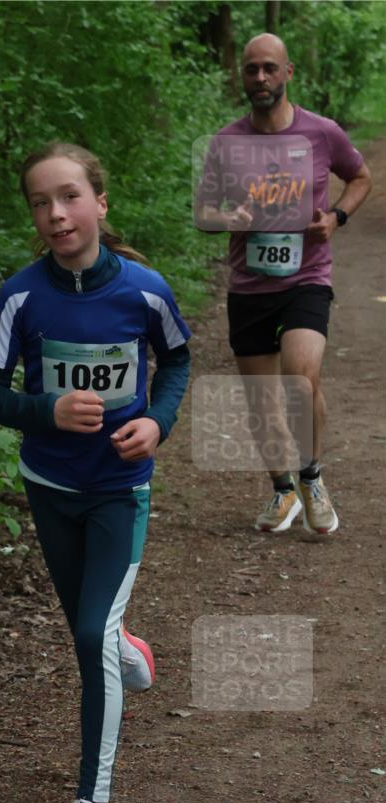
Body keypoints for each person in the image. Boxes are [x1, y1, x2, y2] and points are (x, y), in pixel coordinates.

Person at [0, 142, 191, 803]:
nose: (55, 213)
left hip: (118, 493)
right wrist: (45, 410)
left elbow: (177, 359)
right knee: (89, 633)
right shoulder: (21, 295)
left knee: (90, 634)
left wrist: (156, 421)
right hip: (50, 488)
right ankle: (125, 646)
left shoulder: (143, 289)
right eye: (40, 201)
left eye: (68, 196)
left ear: (99, 202)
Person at [196, 33, 371, 534]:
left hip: (306, 277)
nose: (260, 78)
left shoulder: (321, 133)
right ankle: (282, 489)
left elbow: (360, 178)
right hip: (250, 285)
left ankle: (311, 476)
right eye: (251, 70)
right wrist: (231, 218)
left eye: (270, 68)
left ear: (288, 72)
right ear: (242, 76)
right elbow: (205, 213)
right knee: (260, 400)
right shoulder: (225, 143)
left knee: (300, 378)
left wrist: (336, 217)